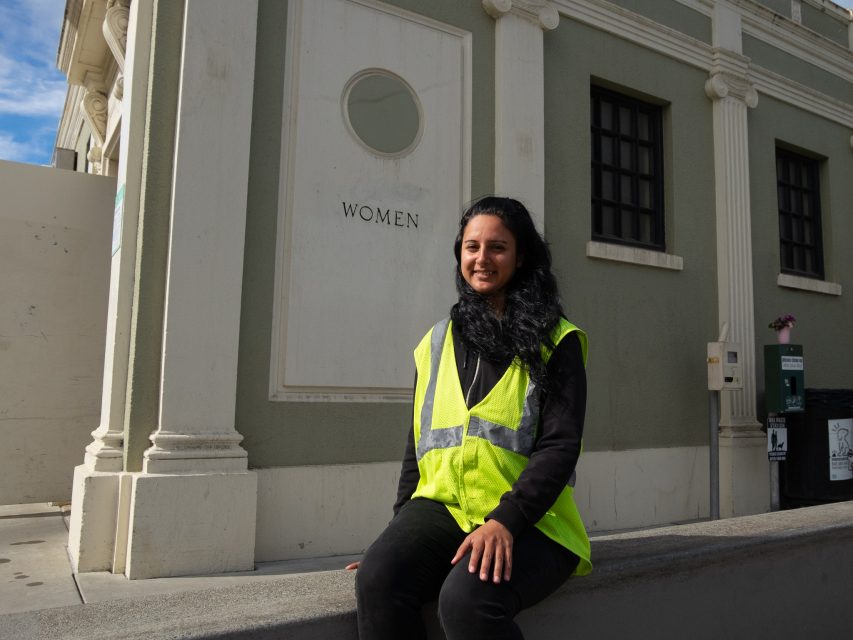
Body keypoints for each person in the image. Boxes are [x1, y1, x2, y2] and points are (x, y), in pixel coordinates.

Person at [347, 196, 590, 640]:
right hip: (443, 511)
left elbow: (560, 445)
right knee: (379, 577)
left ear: (520, 257)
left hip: (533, 522)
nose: (482, 259)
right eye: (471, 247)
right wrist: (399, 537)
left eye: (497, 247)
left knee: (465, 602)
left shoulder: (557, 341)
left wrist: (505, 522)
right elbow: (416, 446)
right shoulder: (436, 342)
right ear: (459, 253)